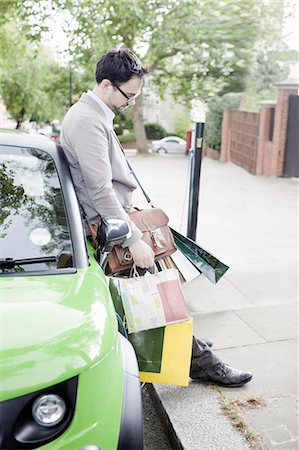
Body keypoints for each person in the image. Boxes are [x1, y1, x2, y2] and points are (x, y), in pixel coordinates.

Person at [61, 47, 252, 388]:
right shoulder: (87, 120)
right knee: (160, 300)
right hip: (115, 232)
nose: (131, 103)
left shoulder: (92, 116)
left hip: (118, 223)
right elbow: (101, 189)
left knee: (160, 299)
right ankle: (206, 364)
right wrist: (132, 238)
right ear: (106, 84)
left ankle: (196, 355)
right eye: (128, 95)